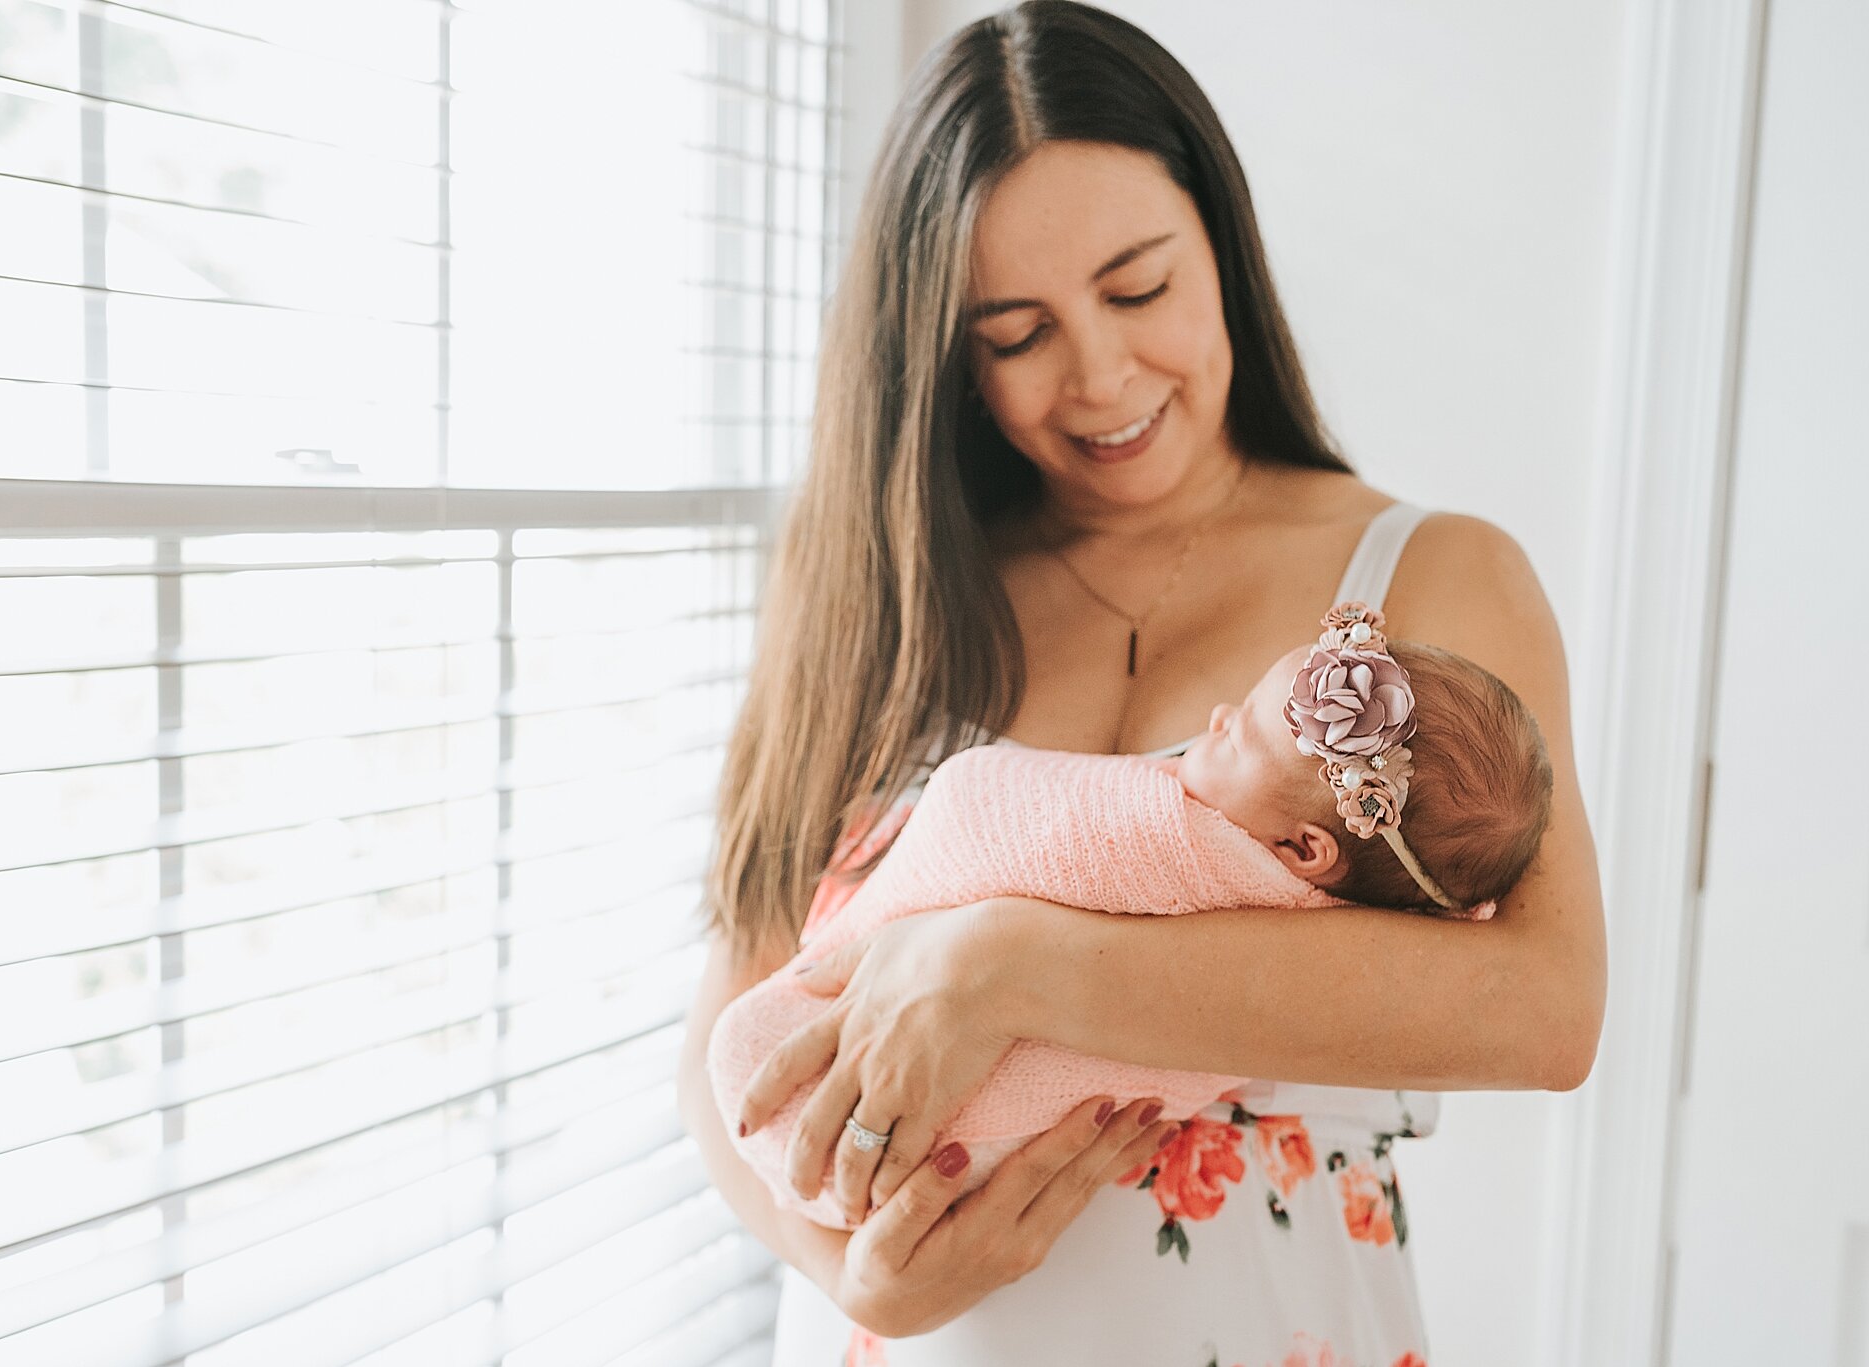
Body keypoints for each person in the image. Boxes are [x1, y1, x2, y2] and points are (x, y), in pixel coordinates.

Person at [673, 3, 1605, 1362]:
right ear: (944, 351)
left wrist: (1014, 965)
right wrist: (852, 1273)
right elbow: (733, 1018)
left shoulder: (1427, 583)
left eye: (1136, 286)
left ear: (1219, 245)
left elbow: (1545, 1008)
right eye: (1015, 330)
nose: (1100, 374)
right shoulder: (889, 587)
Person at [708, 607, 1555, 1233]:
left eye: (1240, 735)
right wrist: (851, 1284)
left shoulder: (1209, 856)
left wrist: (997, 956)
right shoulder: (897, 589)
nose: (1215, 721)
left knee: (752, 1054)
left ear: (1302, 852)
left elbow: (1000, 814)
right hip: (908, 1290)